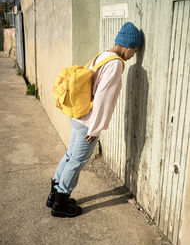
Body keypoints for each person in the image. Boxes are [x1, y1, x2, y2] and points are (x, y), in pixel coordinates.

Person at [46, 22, 143, 218]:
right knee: (78, 161)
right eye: (134, 51)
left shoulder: (102, 56)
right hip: (88, 122)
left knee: (70, 156)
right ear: (128, 46)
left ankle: (54, 193)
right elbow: (103, 98)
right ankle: (61, 203)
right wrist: (96, 128)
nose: (133, 56)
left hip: (78, 115)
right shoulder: (115, 63)